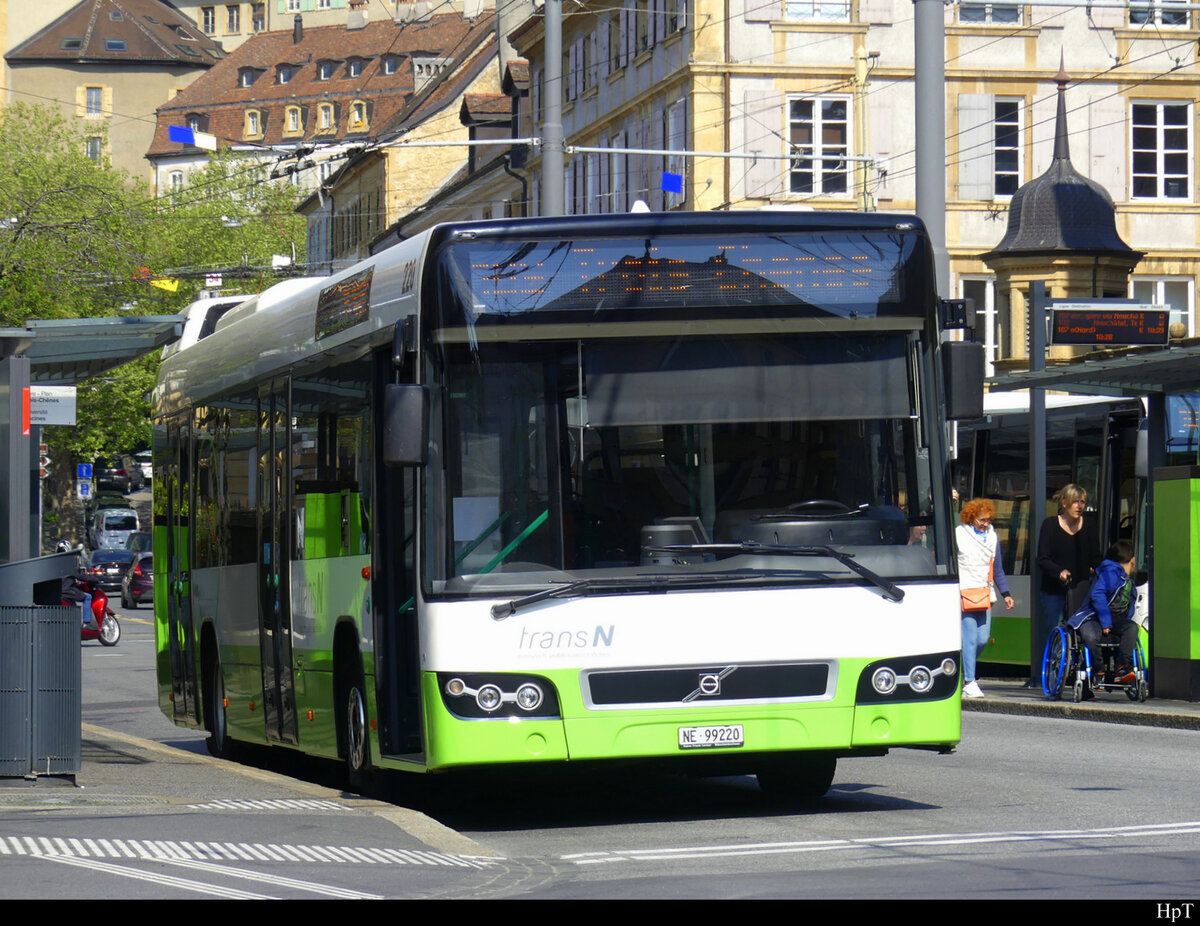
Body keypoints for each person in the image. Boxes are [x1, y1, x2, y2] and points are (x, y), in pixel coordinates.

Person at [956, 499, 1014, 699]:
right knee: (970, 638)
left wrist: (1006, 593)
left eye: (988, 520)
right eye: (982, 520)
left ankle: (960, 670)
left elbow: (997, 568)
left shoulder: (992, 537)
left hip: (984, 594)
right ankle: (969, 682)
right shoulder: (958, 534)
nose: (985, 524)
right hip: (964, 593)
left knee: (982, 639)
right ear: (971, 517)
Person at [1067, 540, 1139, 687]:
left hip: (1114, 620)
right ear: (1132, 560)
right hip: (1093, 617)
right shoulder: (1110, 573)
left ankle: (1122, 667)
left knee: (1131, 628)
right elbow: (1097, 595)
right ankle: (1098, 669)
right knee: (1091, 636)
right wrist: (1106, 622)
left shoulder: (1128, 580)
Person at [1036, 484, 1100, 631]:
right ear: (1064, 503)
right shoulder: (1049, 525)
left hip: (1081, 591)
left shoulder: (1089, 525)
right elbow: (1043, 559)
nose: (1079, 506)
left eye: (1082, 502)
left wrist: (1112, 568)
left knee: (1081, 631)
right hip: (1054, 591)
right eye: (1075, 501)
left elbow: (1096, 558)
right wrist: (1059, 572)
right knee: (1057, 631)